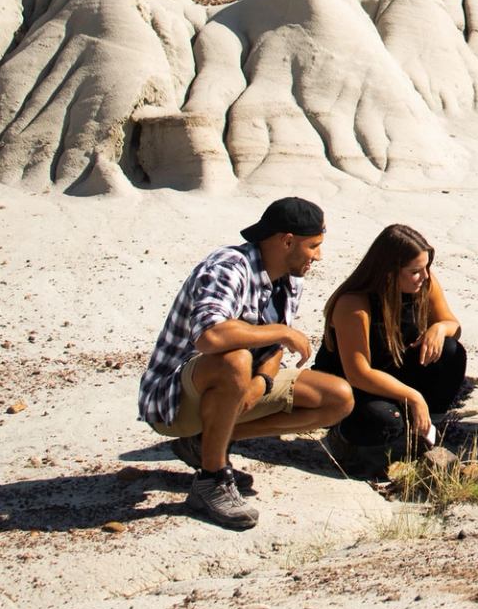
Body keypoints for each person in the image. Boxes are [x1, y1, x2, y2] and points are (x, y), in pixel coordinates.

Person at [138, 198, 355, 530]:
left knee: (338, 397)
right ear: (287, 241)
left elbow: (273, 350)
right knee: (235, 359)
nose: (318, 256)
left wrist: (263, 383)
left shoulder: (289, 279)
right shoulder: (229, 266)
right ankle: (211, 480)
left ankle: (207, 444)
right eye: (313, 246)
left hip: (237, 389)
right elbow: (208, 336)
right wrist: (282, 331)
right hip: (175, 401)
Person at [312, 224, 467, 477]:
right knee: (384, 421)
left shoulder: (424, 283)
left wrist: (438, 328)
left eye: (426, 267)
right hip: (354, 386)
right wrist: (413, 397)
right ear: (389, 273)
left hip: (394, 371)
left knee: (450, 352)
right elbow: (358, 373)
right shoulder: (354, 303)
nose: (425, 276)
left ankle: (427, 431)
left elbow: (453, 324)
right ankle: (343, 440)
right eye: (415, 271)